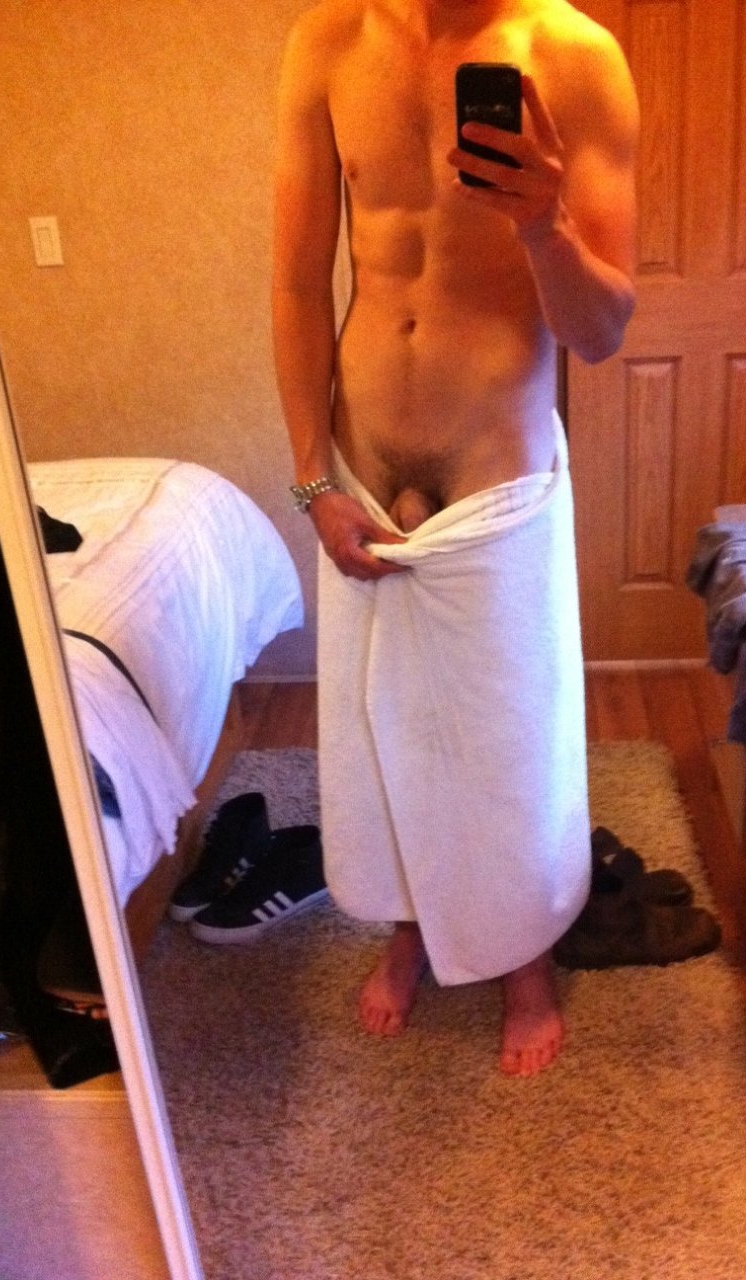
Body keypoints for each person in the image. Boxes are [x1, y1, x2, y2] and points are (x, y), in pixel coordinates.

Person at [272, 0, 638, 1077]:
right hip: (359, 465)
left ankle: (523, 952)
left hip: (497, 466)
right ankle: (410, 927)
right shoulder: (328, 41)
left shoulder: (575, 57)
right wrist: (310, 480)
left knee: (504, 744)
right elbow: (296, 281)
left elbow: (601, 330)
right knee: (382, 726)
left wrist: (544, 224)